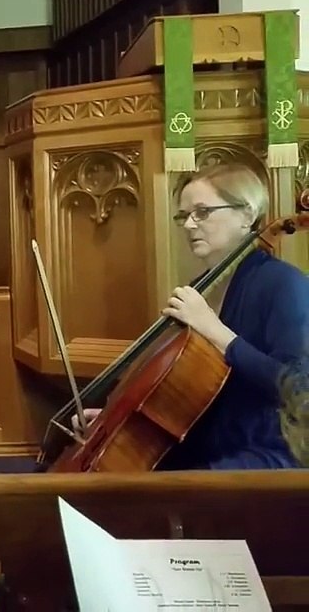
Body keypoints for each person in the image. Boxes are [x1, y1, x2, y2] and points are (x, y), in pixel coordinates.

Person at [71, 163, 309, 469]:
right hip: (207, 440)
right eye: (184, 215)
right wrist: (115, 418)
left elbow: (300, 388)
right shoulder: (205, 287)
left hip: (267, 449)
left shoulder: (283, 283)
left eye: (203, 212)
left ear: (247, 215)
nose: (189, 224)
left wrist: (215, 331)